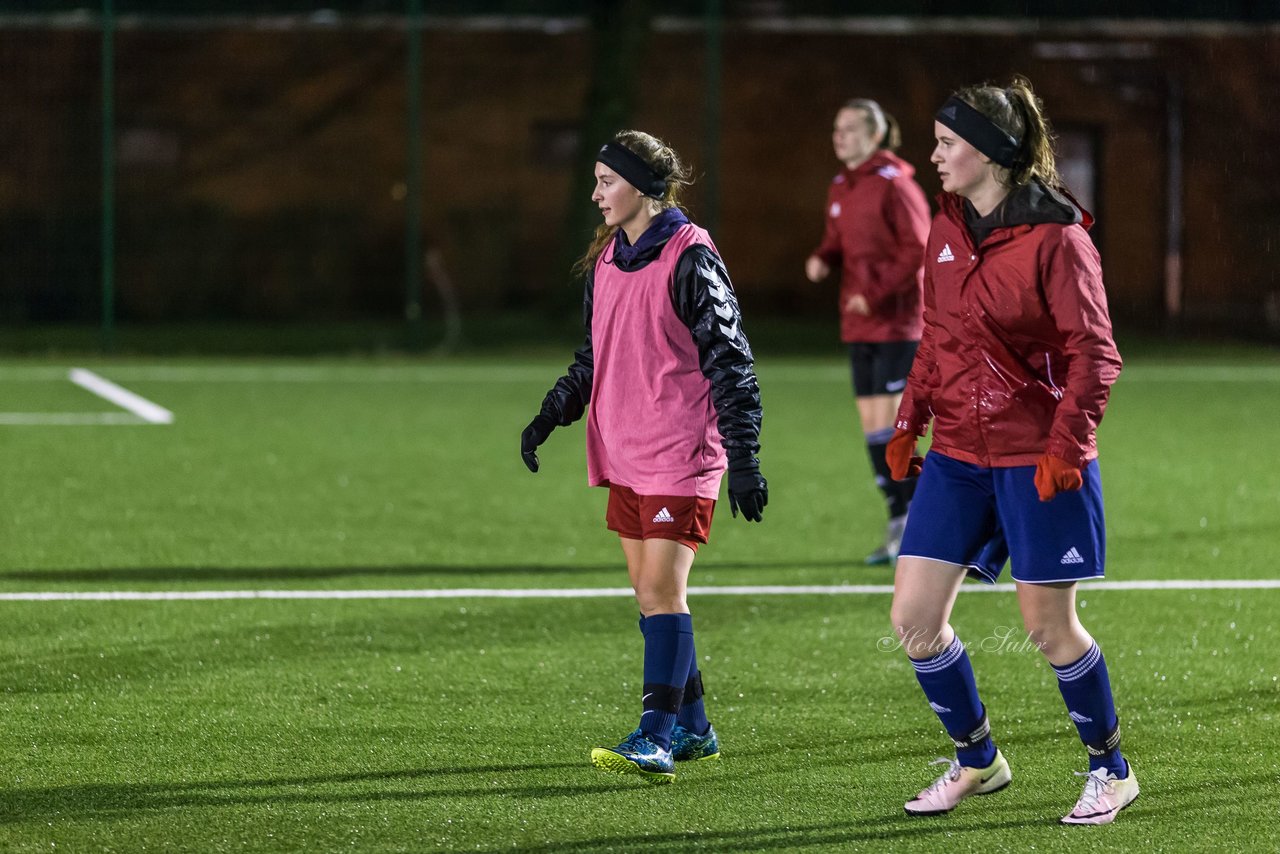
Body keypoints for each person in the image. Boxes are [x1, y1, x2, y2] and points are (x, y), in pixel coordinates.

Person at [884, 76, 1138, 824]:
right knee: (914, 619)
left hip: (1038, 456)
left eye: (946, 143)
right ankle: (977, 761)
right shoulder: (945, 229)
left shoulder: (1059, 239)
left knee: (1048, 627)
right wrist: (910, 421)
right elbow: (937, 339)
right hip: (961, 454)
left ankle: (1112, 771)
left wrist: (1069, 445)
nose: (933, 156)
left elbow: (1095, 354)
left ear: (990, 154)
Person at [520, 130, 767, 785]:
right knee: (651, 594)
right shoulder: (608, 260)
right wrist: (551, 413)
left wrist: (743, 459)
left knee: (662, 591)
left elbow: (731, 362)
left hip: (681, 453)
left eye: (607, 181)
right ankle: (697, 730)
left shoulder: (692, 257)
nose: (596, 192)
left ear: (644, 187)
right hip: (625, 450)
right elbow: (594, 356)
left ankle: (654, 737)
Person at [805, 99, 931, 566]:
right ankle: (901, 521)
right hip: (858, 323)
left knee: (895, 431)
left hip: (897, 322)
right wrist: (824, 256)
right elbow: (839, 240)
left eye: (852, 129)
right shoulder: (842, 185)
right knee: (874, 431)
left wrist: (875, 293)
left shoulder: (896, 186)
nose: (840, 136)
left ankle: (925, 525)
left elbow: (918, 249)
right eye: (837, 128)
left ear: (876, 136)